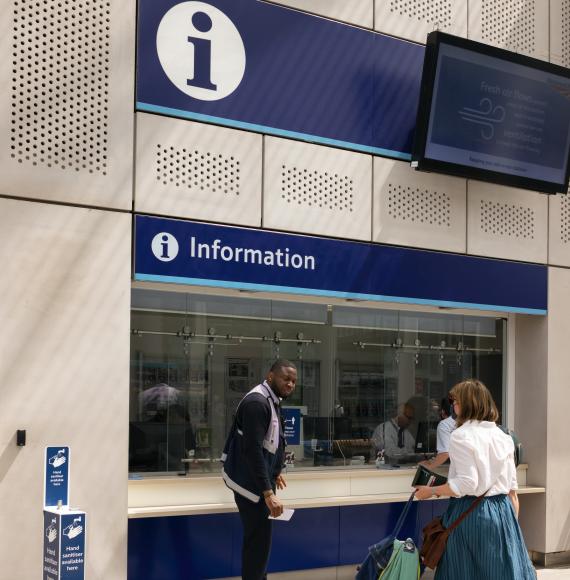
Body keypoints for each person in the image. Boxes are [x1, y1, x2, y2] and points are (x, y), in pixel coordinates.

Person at [414, 379, 535, 579]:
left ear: (469, 404)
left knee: (463, 571)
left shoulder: (461, 436)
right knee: (502, 571)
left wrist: (431, 491)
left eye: (457, 401)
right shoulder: (503, 436)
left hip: (471, 514)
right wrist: (511, 527)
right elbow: (512, 490)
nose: (453, 405)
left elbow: (466, 483)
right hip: (503, 511)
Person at [222, 359, 297, 580]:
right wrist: (268, 492)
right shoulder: (257, 403)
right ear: (270, 376)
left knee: (260, 545)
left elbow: (269, 443)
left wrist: (275, 471)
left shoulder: (270, 399)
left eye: (294, 381)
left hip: (257, 482)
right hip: (250, 486)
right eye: (286, 378)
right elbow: (252, 451)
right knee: (258, 545)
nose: (290, 384)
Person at [418, 396, 456, 469]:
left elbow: (444, 453)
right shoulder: (471, 423)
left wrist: (429, 466)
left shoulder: (444, 424)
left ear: (442, 411)